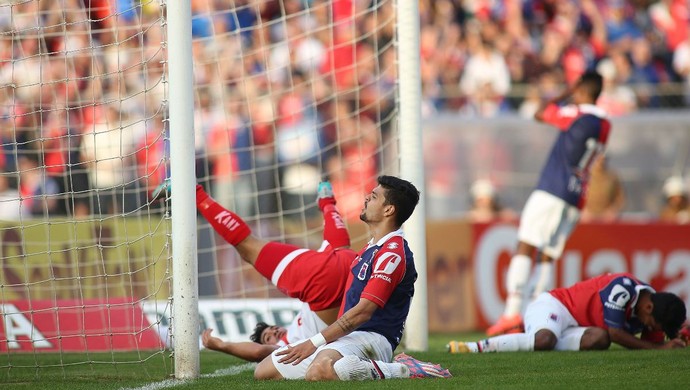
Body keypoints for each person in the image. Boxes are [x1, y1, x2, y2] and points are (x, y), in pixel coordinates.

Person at [253, 175, 451, 381]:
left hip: (373, 337)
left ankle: (404, 369)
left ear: (388, 210)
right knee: (265, 371)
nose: (366, 198)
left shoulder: (392, 253)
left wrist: (314, 342)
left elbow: (363, 313)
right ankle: (345, 363)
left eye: (374, 197)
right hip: (348, 335)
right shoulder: (370, 248)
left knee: (319, 371)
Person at [488, 71, 611, 336]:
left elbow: (539, 112)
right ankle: (536, 312)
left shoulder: (579, 115)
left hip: (553, 190)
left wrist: (566, 92)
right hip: (577, 197)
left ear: (581, 90)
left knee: (526, 243)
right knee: (548, 255)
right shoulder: (605, 124)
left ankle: (511, 313)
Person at [194, 181, 355, 362]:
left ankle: (327, 201)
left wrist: (224, 346)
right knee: (248, 246)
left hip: (342, 281)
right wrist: (224, 346)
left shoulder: (297, 329)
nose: (273, 331)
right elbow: (257, 353)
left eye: (271, 329)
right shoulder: (287, 348)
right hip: (333, 282)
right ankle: (195, 192)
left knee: (338, 249)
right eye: (268, 337)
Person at [448, 272, 687, 353]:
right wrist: (659, 347)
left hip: (578, 327)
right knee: (544, 340)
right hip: (556, 306)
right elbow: (616, 332)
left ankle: (523, 334)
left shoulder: (653, 308)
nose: (652, 329)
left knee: (599, 340)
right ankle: (473, 347)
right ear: (648, 307)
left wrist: (676, 339)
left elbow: (653, 345)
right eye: (654, 325)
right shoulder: (623, 287)